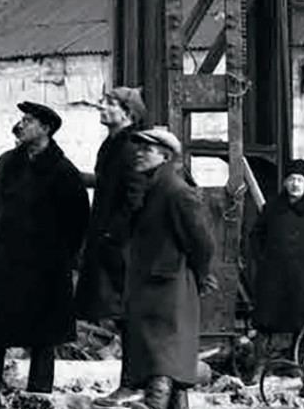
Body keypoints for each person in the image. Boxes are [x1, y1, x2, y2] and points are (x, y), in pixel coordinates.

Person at [0, 102, 90, 409]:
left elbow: (79, 219)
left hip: (46, 267)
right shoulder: (8, 162)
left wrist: (65, 258)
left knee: (43, 336)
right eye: (22, 120)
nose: (21, 125)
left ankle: (39, 397)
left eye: (29, 120)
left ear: (45, 129)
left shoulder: (63, 171)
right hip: (8, 261)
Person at [122, 128, 214, 409]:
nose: (139, 154)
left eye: (147, 150)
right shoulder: (151, 188)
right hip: (152, 282)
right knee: (162, 351)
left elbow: (202, 241)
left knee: (162, 352)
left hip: (169, 284)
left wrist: (200, 275)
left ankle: (155, 404)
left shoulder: (176, 191)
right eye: (138, 148)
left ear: (165, 156)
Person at [80, 87, 149, 407]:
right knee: (120, 317)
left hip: (123, 248)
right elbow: (109, 183)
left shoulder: (131, 147)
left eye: (109, 104)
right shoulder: (112, 144)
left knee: (128, 316)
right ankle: (136, 384)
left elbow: (135, 198)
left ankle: (134, 385)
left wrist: (113, 236)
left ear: (127, 113)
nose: (101, 107)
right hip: (109, 243)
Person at [249, 157, 304, 372]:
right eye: (291, 179)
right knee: (265, 322)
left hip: (302, 279)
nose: (295, 184)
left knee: (301, 323)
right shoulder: (271, 209)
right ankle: (260, 366)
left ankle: (295, 364)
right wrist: (263, 261)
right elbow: (255, 236)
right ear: (284, 182)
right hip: (273, 278)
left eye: (300, 180)